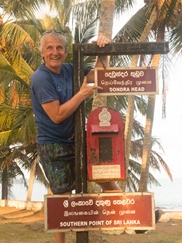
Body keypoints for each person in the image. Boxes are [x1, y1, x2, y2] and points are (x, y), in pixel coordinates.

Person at [30, 30, 121, 243]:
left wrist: (103, 50)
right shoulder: (41, 78)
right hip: (53, 145)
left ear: (66, 51)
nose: (55, 52)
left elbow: (100, 76)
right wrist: (81, 94)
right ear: (42, 52)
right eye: (50, 48)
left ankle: (135, 214)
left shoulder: (71, 70)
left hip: (78, 139)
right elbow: (57, 115)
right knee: (61, 197)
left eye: (59, 47)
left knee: (104, 176)